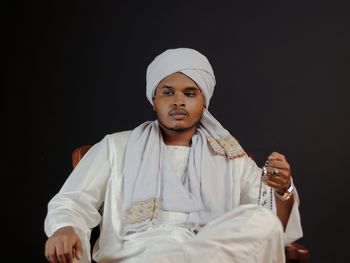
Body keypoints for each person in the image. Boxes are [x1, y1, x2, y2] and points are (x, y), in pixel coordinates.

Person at [44, 48, 303, 263]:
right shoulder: (116, 147)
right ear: (154, 99)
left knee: (261, 221)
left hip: (211, 252)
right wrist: (64, 228)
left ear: (204, 102)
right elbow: (73, 202)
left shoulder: (230, 157)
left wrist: (283, 191)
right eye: (168, 92)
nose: (178, 101)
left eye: (190, 93)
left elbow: (274, 227)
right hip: (140, 255)